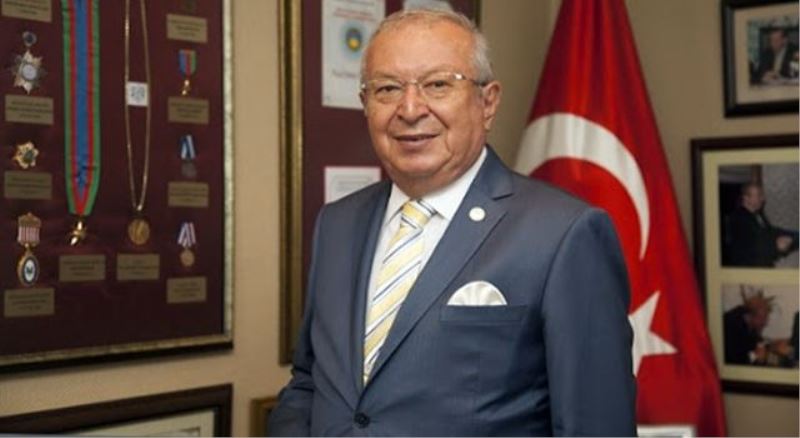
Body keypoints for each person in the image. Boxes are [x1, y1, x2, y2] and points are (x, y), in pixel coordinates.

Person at [268, 9, 636, 436]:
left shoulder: (563, 234)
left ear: (487, 102)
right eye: (387, 89)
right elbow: (310, 382)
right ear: (366, 105)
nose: (410, 109)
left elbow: (596, 426)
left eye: (438, 84)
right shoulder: (337, 224)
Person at [724, 182, 798, 267]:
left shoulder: (758, 214)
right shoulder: (738, 218)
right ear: (746, 198)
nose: (763, 198)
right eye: (759, 195)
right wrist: (776, 245)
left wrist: (791, 235)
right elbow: (752, 246)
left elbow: (770, 231)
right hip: (750, 269)